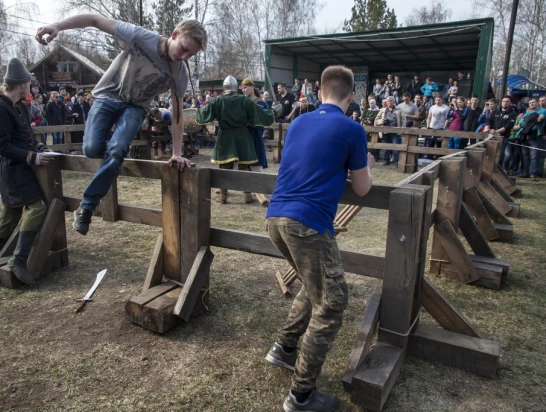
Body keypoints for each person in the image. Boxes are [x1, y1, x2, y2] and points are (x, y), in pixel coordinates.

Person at [264, 65, 374, 412]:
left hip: (275, 219)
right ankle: (301, 395)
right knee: (333, 301)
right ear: (351, 97)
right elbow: (362, 187)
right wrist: (366, 163)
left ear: (319, 93)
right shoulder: (353, 129)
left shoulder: (298, 122)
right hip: (308, 224)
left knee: (315, 286)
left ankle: (284, 348)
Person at [36, 16, 206, 235]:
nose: (183, 57)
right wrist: (57, 25)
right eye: (183, 49)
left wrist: (176, 152)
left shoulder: (180, 71)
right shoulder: (140, 36)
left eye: (190, 54)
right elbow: (94, 20)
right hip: (107, 96)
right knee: (91, 149)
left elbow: (178, 113)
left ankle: (87, 206)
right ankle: (112, 158)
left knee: (117, 150)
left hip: (136, 107)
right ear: (174, 35)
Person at [0, 58, 54, 286]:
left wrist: (40, 148)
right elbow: (2, 146)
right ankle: (18, 260)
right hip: (12, 169)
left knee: (11, 213)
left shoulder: (19, 106)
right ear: (22, 85)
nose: (31, 88)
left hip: (21, 166)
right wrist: (31, 156)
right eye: (29, 84)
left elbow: (25, 137)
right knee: (36, 208)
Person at [195, 75, 274, 204]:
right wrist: (271, 113)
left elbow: (203, 116)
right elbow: (259, 114)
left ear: (224, 87)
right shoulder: (244, 100)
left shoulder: (217, 101)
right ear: (236, 87)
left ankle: (223, 196)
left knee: (224, 168)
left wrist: (199, 112)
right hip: (242, 136)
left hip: (225, 136)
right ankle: (247, 194)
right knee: (244, 166)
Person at [484, 95, 517, 166]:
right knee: (489, 153)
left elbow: (508, 126)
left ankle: (498, 169)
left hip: (503, 137)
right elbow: (488, 120)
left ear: (511, 103)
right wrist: (487, 126)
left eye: (507, 102)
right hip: (491, 136)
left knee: (500, 155)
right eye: (503, 101)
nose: (505, 103)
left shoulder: (513, 113)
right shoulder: (495, 111)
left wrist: (495, 132)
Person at [375, 96, 402, 166]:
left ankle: (396, 162)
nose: (389, 102)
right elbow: (376, 120)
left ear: (394, 102)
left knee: (395, 147)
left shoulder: (398, 110)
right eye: (388, 101)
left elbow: (403, 120)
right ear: (386, 102)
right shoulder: (383, 110)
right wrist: (381, 121)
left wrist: (402, 129)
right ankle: (386, 161)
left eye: (391, 101)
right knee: (385, 147)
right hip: (385, 131)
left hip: (395, 131)